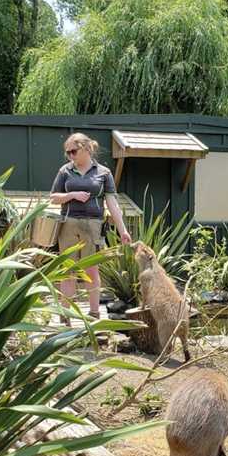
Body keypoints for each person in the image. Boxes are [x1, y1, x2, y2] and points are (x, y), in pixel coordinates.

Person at [50, 133, 131, 322]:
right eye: (67, 153)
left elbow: (112, 204)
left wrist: (123, 230)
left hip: (93, 226)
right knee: (67, 271)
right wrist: (72, 195)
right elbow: (53, 197)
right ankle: (65, 316)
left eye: (73, 151)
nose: (70, 156)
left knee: (91, 271)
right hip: (68, 224)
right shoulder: (65, 171)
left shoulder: (103, 173)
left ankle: (94, 314)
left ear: (86, 148)